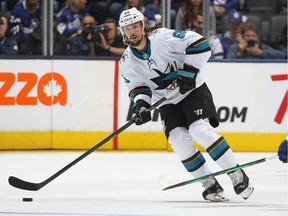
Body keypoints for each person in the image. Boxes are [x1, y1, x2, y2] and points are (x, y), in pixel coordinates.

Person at [118, 7, 254, 202]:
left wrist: (189, 72)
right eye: (126, 28)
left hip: (193, 91)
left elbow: (199, 43)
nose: (131, 31)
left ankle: (237, 175)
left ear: (142, 26)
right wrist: (140, 106)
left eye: (134, 26)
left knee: (200, 130)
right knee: (178, 141)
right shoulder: (127, 61)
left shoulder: (162, 37)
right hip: (167, 102)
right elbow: (138, 88)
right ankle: (210, 185)